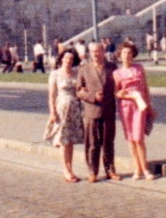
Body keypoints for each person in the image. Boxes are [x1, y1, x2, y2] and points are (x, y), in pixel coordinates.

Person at [75, 41, 119, 182]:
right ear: (89, 53)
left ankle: (109, 170)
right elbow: (78, 91)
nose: (96, 54)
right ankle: (92, 171)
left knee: (108, 143)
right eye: (93, 51)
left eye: (98, 51)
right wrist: (92, 97)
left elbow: (118, 86)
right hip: (92, 111)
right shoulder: (84, 69)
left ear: (103, 52)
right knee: (92, 143)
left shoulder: (112, 68)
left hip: (108, 111)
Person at [113, 42, 154, 180]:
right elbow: (116, 93)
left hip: (139, 106)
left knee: (139, 138)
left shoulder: (139, 68)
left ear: (133, 55)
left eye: (129, 53)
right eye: (124, 53)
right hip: (125, 106)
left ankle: (145, 169)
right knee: (131, 139)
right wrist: (122, 93)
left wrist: (149, 106)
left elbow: (146, 88)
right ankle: (137, 169)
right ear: (120, 55)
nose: (127, 55)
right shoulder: (116, 73)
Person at [47, 49, 85, 182]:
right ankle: (65, 169)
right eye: (66, 58)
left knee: (71, 140)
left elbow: (81, 89)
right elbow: (52, 94)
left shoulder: (76, 73)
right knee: (63, 139)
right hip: (62, 108)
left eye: (71, 59)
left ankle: (70, 168)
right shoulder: (55, 74)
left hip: (74, 108)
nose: (68, 60)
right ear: (62, 59)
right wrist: (53, 112)